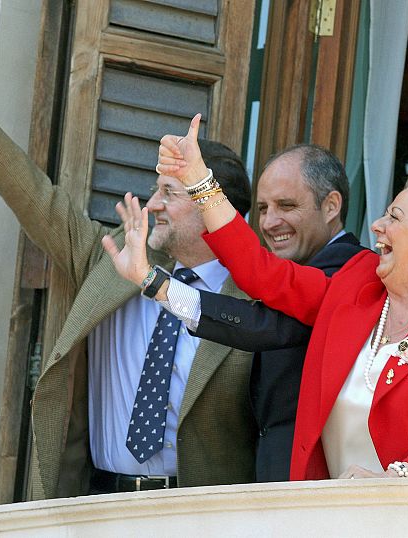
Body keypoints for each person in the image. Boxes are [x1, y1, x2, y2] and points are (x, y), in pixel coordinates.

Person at [0, 13, 257, 497]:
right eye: (153, 190)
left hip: (196, 518)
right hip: (97, 504)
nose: (154, 204)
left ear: (214, 203)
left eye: (171, 192)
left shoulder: (255, 306)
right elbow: (36, 198)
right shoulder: (112, 260)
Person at [106, 114, 408, 479]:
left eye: (394, 217)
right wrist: (199, 182)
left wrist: (400, 480)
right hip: (341, 516)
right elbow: (261, 273)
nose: (376, 226)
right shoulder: (357, 284)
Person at [142, 145, 365, 481]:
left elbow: (259, 323)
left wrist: (157, 285)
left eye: (286, 206)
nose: (271, 222)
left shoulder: (352, 271)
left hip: (316, 492)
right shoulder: (296, 268)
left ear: (331, 206)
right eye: (262, 208)